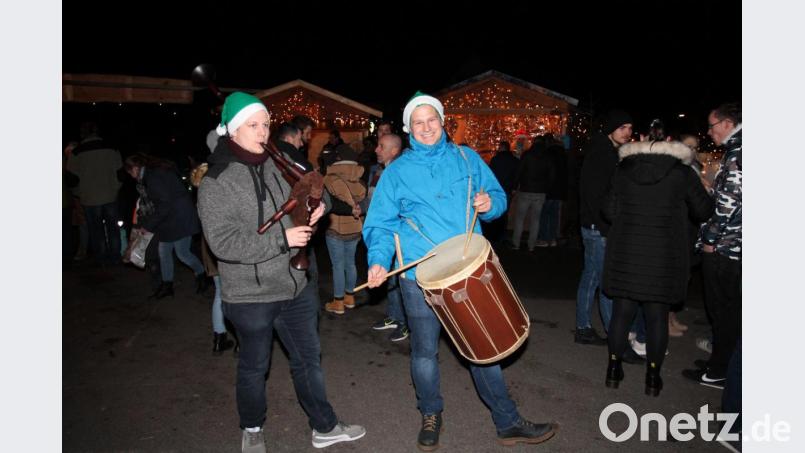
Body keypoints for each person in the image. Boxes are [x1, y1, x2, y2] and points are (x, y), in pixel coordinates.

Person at [364, 92, 557, 450]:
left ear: (442, 122)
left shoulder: (467, 159)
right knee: (424, 352)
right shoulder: (397, 173)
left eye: (431, 120)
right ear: (409, 129)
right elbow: (380, 225)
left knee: (481, 344)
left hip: (465, 270)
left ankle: (507, 422)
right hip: (418, 276)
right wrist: (378, 260)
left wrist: (490, 205)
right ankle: (430, 412)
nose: (426, 128)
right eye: (418, 123)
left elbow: (497, 197)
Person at [197, 92, 365, 453]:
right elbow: (223, 243)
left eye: (266, 124)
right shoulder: (216, 181)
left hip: (295, 287)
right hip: (250, 295)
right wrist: (282, 239)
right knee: (254, 368)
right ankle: (253, 428)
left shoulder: (276, 164)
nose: (263, 132)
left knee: (309, 361)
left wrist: (313, 213)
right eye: (253, 125)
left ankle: (325, 426)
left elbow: (301, 204)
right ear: (231, 131)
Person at [601, 138, 713, 397]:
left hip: (627, 254)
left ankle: (613, 370)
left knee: (622, 314)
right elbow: (703, 211)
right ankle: (653, 377)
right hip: (663, 256)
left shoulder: (623, 170)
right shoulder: (681, 172)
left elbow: (609, 210)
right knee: (656, 318)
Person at [682, 102, 742, 389]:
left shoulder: (739, 154)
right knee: (724, 311)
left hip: (726, 248)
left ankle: (720, 370)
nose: (710, 132)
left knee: (723, 311)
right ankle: (720, 362)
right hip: (730, 244)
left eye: (712, 125)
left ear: (728, 124)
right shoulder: (738, 150)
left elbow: (730, 204)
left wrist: (709, 240)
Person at [574, 110, 633, 345]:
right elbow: (594, 195)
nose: (627, 133)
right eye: (622, 128)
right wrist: (605, 226)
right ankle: (613, 334)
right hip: (597, 227)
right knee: (603, 281)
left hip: (596, 225)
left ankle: (584, 327)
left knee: (592, 278)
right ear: (611, 129)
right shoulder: (602, 154)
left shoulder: (609, 152)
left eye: (630, 128)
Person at [124, 153, 208, 299]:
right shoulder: (152, 173)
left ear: (136, 168)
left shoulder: (153, 177)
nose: (131, 176)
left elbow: (164, 204)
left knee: (182, 253)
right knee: (164, 252)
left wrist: (148, 225)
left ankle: (203, 275)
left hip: (179, 218)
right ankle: (167, 285)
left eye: (130, 172)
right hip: (171, 218)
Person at [368, 133, 409, 342]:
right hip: (386, 234)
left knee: (401, 281)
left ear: (394, 150)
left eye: (381, 146)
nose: (376, 150)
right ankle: (394, 316)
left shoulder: (400, 171)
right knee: (391, 279)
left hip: (399, 236)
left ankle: (406, 323)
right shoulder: (382, 170)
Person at [67, 122, 124, 266]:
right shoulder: (112, 148)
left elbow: (71, 179)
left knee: (96, 230)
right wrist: (115, 188)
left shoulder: (77, 152)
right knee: (113, 228)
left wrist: (79, 193)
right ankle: (115, 257)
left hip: (89, 198)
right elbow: (121, 174)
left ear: (83, 133)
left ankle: (101, 258)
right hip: (110, 196)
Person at [322, 144, 366, 315]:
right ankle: (350, 297)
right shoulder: (359, 179)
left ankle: (338, 302)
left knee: (338, 265)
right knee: (350, 263)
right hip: (355, 228)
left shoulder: (331, 179)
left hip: (336, 229)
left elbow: (331, 202)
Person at [510, 136, 555, 251]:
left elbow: (519, 171)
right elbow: (551, 176)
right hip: (540, 192)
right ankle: (531, 245)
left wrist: (514, 187)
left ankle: (516, 243)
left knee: (520, 218)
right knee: (536, 220)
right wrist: (547, 190)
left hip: (525, 190)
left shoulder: (527, 155)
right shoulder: (548, 157)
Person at [486, 140, 519, 244]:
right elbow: (517, 175)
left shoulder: (495, 159)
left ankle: (493, 235)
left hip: (495, 189)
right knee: (504, 213)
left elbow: (490, 174)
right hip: (507, 189)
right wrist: (514, 187)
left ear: (501, 148)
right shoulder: (514, 160)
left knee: (494, 211)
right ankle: (501, 235)